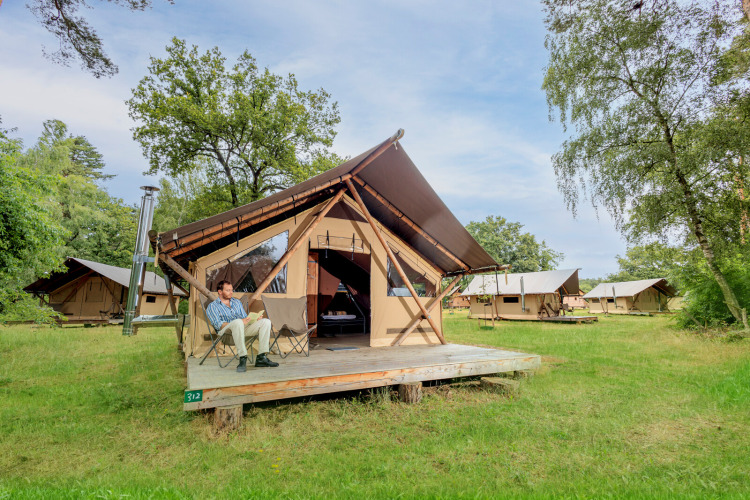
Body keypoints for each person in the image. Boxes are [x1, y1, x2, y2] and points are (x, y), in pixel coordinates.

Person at [205, 280, 278, 372]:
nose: (231, 292)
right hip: (226, 333)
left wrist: (254, 320)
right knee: (238, 322)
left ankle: (261, 357)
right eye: (228, 290)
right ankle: (242, 357)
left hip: (242, 330)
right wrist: (238, 322)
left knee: (266, 322)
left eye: (232, 290)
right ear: (220, 292)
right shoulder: (213, 306)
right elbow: (218, 325)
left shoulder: (237, 302)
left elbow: (245, 319)